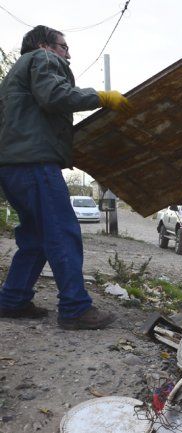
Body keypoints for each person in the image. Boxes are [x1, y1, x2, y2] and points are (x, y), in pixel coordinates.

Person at [0, 25, 131, 330]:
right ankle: (74, 308)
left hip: (12, 166)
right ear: (46, 45)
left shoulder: (12, 78)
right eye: (64, 47)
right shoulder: (42, 59)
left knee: (35, 238)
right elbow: (54, 95)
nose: (68, 55)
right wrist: (101, 97)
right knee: (61, 232)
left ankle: (12, 300)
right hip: (34, 164)